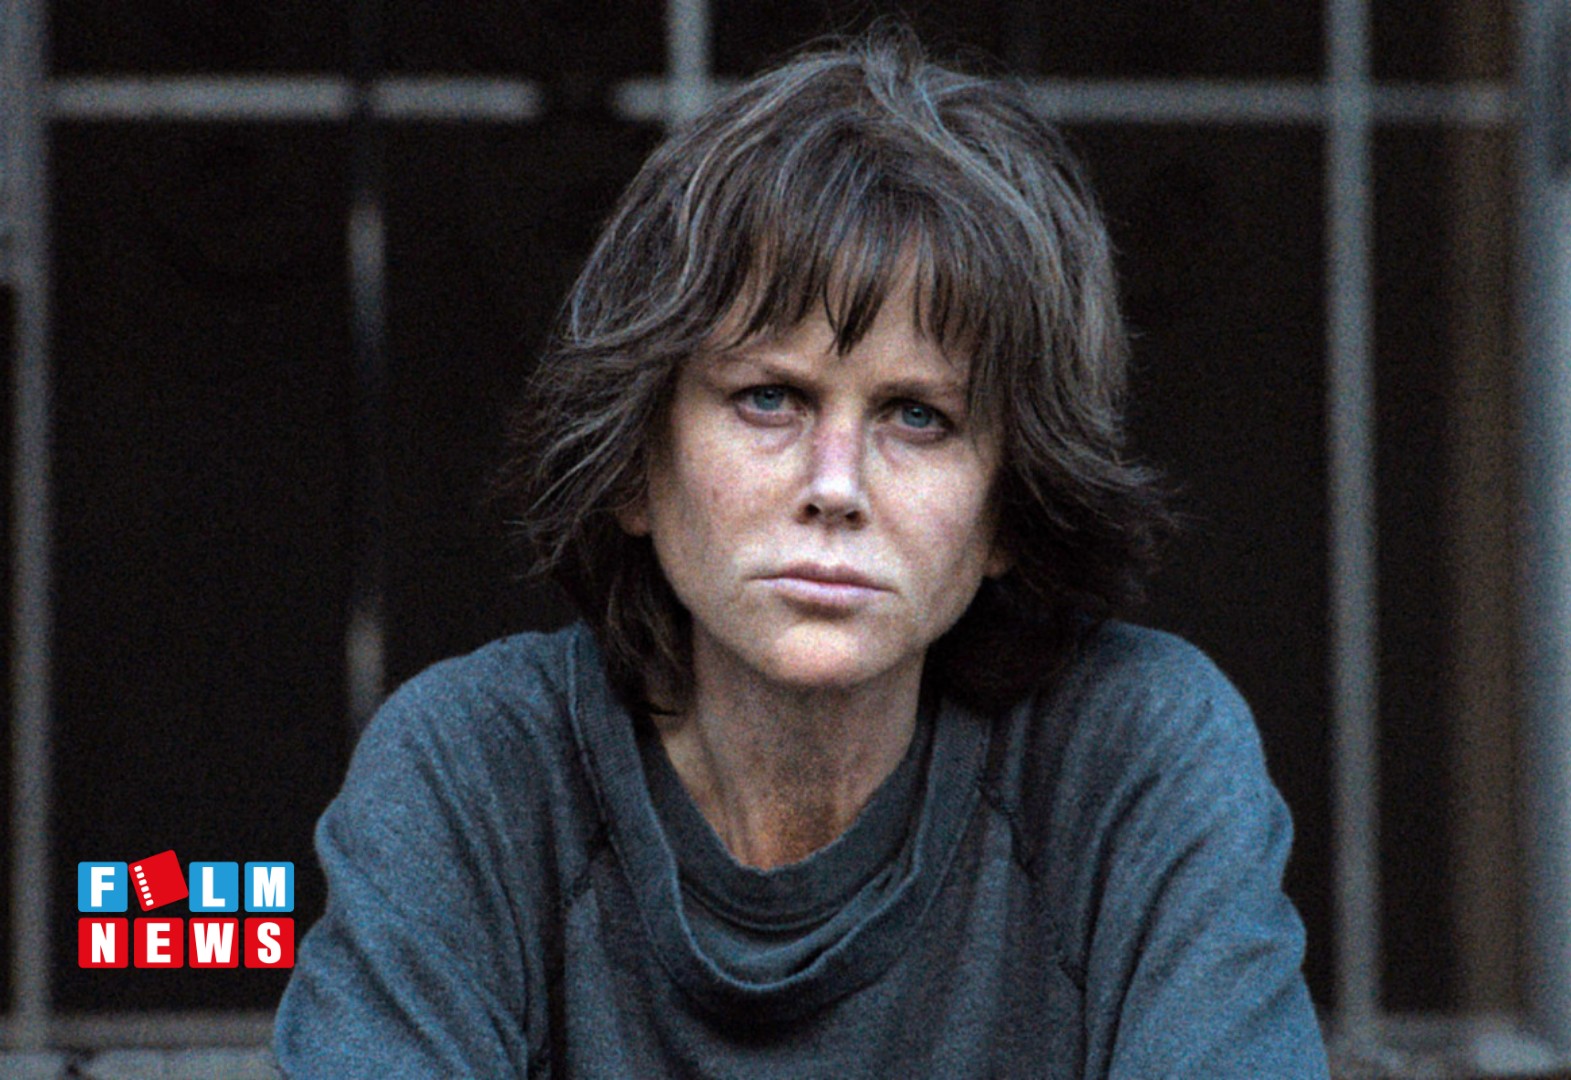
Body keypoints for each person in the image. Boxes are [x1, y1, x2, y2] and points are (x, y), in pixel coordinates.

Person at [275, 28, 1330, 1077]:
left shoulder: (1131, 758)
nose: (835, 486)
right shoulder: (475, 773)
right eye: (769, 398)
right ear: (638, 463)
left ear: (1010, 508)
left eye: (918, 416)